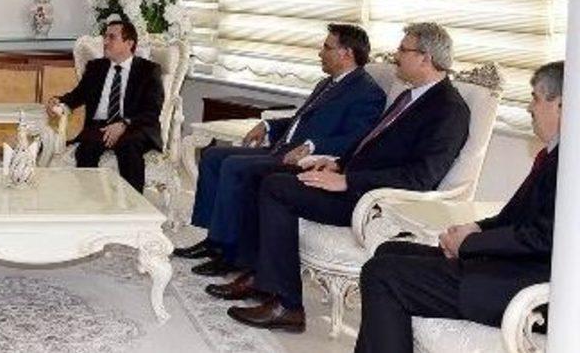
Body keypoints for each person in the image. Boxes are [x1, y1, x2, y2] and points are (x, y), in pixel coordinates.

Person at [211, 22, 470, 333]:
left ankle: (287, 306)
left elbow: (420, 177)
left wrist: (349, 181)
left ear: (426, 58)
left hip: (374, 202)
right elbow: (369, 143)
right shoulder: (411, 96)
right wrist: (337, 164)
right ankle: (259, 277)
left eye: (403, 50)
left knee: (276, 188)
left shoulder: (448, 109)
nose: (395, 56)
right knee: (267, 174)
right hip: (354, 182)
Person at [354, 61, 562, 353]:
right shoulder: (556, 155)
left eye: (536, 99)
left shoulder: (569, 166)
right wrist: (474, 228)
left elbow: (544, 238)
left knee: (382, 273)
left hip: (525, 286)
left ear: (562, 106)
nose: (529, 108)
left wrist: (469, 244)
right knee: (390, 250)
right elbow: (516, 219)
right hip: (514, 266)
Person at [174, 24, 386, 277]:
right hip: (281, 149)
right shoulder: (327, 83)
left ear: (346, 53)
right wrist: (267, 125)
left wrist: (311, 146)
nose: (320, 53)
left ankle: (229, 253)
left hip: (304, 160)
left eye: (327, 47)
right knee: (212, 156)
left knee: (233, 165)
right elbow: (299, 121)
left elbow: (356, 139)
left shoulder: (367, 92)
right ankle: (214, 239)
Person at [47, 20, 164, 192]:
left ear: (129, 43)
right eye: (105, 37)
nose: (105, 41)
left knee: (129, 147)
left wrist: (124, 124)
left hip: (133, 126)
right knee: (86, 149)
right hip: (99, 126)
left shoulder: (148, 70)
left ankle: (133, 204)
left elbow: (152, 110)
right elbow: (78, 95)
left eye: (112, 37)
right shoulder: (96, 67)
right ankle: (93, 201)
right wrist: (59, 101)